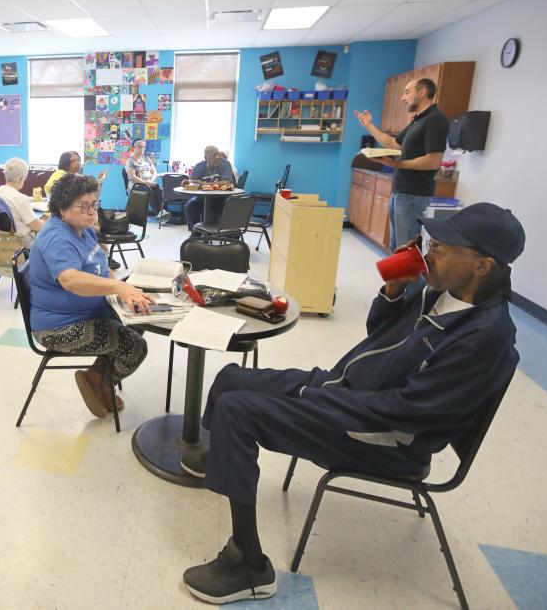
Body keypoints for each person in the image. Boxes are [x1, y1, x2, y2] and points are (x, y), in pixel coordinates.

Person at [181, 202, 525, 604]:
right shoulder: (439, 291)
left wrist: (317, 397)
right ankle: (224, 461)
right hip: (344, 390)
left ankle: (248, 566)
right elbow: (379, 335)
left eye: (443, 247)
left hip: (385, 438)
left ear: (482, 266)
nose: (430, 252)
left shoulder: (485, 338)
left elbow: (407, 411)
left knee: (238, 411)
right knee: (230, 378)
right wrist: (395, 290)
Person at [28, 173, 152, 417]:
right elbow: (70, 279)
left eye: (94, 204)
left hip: (87, 313)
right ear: (62, 208)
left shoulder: (84, 231)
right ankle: (103, 383)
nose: (92, 212)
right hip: (59, 326)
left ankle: (95, 377)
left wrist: (123, 291)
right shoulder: (57, 237)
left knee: (140, 318)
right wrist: (119, 289)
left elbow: (103, 269)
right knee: (135, 347)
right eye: (83, 206)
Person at [355, 77, 450, 251]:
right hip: (401, 191)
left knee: (406, 251)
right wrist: (369, 126)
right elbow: (393, 144)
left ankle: (413, 280)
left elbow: (434, 160)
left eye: (407, 92)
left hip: (413, 194)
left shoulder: (436, 120)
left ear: (421, 93)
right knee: (397, 248)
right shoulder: (418, 120)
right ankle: (398, 280)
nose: (402, 98)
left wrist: (398, 165)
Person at [0, 157, 44, 248]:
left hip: (2, 239)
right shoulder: (20, 199)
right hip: (23, 242)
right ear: (21, 178)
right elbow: (37, 226)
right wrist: (46, 220)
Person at [184, 146, 237, 232]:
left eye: (218, 154)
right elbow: (193, 183)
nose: (217, 157)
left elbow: (227, 182)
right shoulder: (199, 166)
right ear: (205, 158)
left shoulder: (225, 164)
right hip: (203, 198)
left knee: (230, 205)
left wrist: (205, 184)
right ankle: (196, 233)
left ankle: (224, 233)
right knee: (191, 205)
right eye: (213, 155)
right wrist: (187, 183)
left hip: (222, 198)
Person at [125, 139, 163, 216]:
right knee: (150, 191)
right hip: (136, 185)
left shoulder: (147, 159)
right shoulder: (130, 161)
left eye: (143, 147)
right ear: (134, 148)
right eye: (139, 147)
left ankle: (162, 212)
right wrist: (147, 183)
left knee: (160, 191)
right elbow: (133, 177)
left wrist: (151, 181)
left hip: (148, 183)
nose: (142, 149)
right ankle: (158, 214)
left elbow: (154, 172)